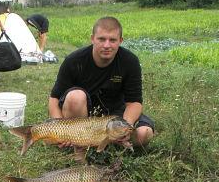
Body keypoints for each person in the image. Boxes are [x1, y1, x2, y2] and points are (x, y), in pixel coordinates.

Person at [48, 16, 154, 155]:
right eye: (102, 39)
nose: (107, 45)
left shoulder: (130, 61)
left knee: (144, 133)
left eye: (113, 40)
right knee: (75, 97)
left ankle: (108, 145)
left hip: (116, 114)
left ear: (120, 41)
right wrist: (60, 130)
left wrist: (123, 128)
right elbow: (54, 99)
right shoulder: (74, 61)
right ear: (92, 39)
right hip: (83, 116)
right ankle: (79, 152)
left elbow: (134, 102)